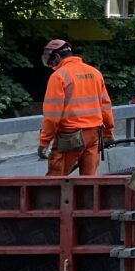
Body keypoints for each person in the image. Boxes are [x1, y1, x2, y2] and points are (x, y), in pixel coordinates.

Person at [38, 40, 114, 177]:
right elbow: (106, 107)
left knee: (55, 180)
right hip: (93, 134)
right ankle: (89, 199)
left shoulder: (59, 76)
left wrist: (44, 142)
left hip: (70, 136)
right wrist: (108, 132)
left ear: (56, 57)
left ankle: (54, 199)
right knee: (89, 180)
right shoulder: (95, 73)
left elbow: (52, 115)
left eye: (51, 60)